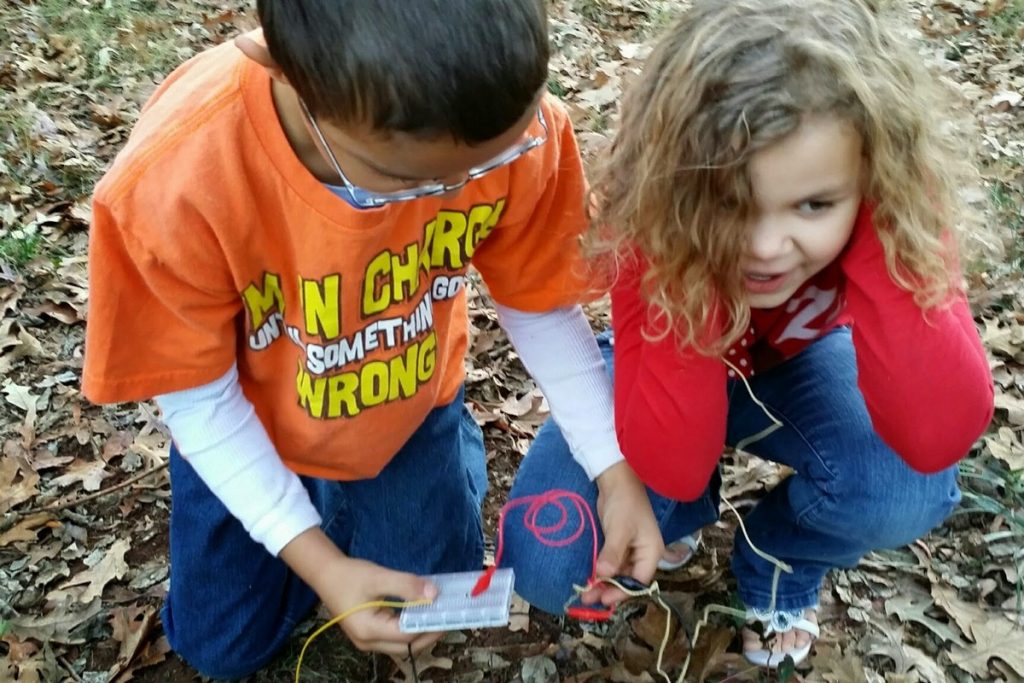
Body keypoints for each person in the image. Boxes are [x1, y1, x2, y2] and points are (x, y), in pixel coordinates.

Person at [82, 1, 665, 677]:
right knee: (221, 649)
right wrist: (319, 561)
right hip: (252, 420)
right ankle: (318, 502)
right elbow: (198, 397)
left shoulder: (515, 133)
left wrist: (613, 467)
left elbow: (540, 306)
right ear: (284, 66)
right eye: (409, 181)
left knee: (427, 595)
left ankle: (447, 453)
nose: (452, 193)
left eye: (481, 167)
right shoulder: (175, 177)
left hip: (404, 409)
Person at [504, 0, 994, 668]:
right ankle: (683, 517)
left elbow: (939, 431)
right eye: (731, 201)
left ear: (871, 179)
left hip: (801, 361)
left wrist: (889, 234)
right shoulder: (656, 214)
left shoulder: (890, 208)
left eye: (815, 203)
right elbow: (671, 461)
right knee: (546, 559)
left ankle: (781, 557)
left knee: (905, 485)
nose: (765, 247)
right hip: (666, 369)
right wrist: (692, 267)